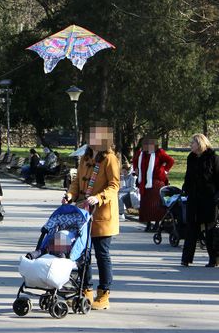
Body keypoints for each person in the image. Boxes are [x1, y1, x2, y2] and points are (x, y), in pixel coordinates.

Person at [63, 122, 120, 310]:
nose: (91, 139)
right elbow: (76, 182)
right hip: (82, 214)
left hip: (102, 215)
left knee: (102, 254)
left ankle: (104, 294)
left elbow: (114, 185)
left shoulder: (110, 158)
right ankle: (85, 290)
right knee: (82, 254)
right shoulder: (85, 157)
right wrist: (70, 195)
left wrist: (98, 197)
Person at [181, 133, 219, 267]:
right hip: (194, 198)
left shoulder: (213, 158)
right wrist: (185, 188)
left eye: (193, 143)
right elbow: (188, 176)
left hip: (209, 199)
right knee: (191, 228)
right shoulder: (191, 158)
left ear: (200, 143)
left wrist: (217, 196)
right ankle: (186, 258)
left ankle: (213, 259)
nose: (191, 145)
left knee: (210, 230)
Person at [132, 137, 174, 231]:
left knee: (156, 204)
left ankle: (157, 224)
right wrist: (136, 169)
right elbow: (135, 161)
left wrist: (164, 171)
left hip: (156, 182)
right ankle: (148, 224)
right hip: (144, 182)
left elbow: (170, 161)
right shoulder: (140, 153)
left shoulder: (159, 152)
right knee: (145, 204)